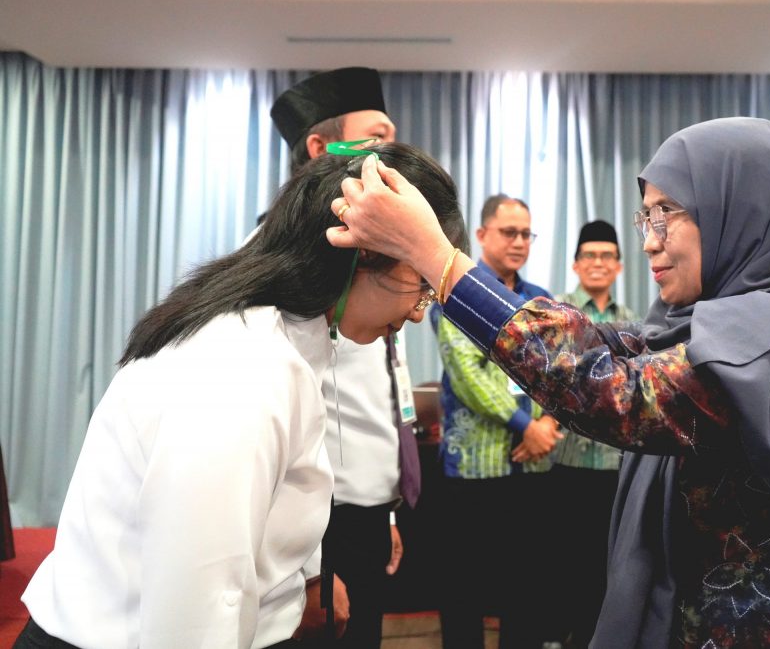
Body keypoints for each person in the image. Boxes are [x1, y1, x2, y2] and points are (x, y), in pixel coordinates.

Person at [329, 117, 770, 648]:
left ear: (741, 212)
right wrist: (445, 264)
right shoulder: (711, 324)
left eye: (667, 213)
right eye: (645, 216)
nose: (649, 240)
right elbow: (601, 345)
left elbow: (607, 390)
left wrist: (436, 258)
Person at [15, 143, 467, 649]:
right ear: (363, 251)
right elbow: (195, 605)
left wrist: (310, 574)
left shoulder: (282, 335)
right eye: (421, 285)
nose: (418, 312)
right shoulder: (242, 370)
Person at [270, 67, 415, 648]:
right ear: (321, 148)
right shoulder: (286, 259)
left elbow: (377, 391)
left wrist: (387, 511)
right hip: (319, 521)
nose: (393, 152)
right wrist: (306, 569)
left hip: (368, 506)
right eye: (378, 136)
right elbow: (288, 426)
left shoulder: (374, 251)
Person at [427, 194, 562, 648]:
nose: (519, 241)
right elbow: (469, 376)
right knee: (464, 591)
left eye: (526, 233)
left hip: (533, 467)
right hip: (475, 469)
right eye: (509, 232)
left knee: (527, 592)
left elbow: (557, 371)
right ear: (482, 235)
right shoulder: (457, 293)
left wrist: (545, 428)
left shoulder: (539, 299)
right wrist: (528, 426)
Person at [549, 220, 637, 648]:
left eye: (606, 256)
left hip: (614, 468)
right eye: (590, 255)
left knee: (610, 569)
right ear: (575, 264)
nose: (598, 263)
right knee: (565, 566)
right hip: (566, 465)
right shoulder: (559, 313)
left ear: (619, 266)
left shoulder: (632, 322)